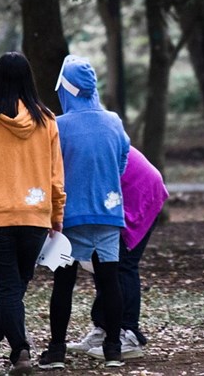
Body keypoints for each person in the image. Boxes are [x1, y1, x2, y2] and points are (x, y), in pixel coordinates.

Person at [0, 52, 66, 376]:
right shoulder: (47, 120)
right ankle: (18, 351)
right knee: (17, 285)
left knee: (10, 286)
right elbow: (55, 174)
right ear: (29, 79)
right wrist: (57, 213)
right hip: (34, 215)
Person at [38, 55, 131, 370]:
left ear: (65, 88)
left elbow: (51, 170)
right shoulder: (114, 121)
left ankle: (57, 351)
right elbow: (122, 162)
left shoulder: (58, 125)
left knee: (63, 284)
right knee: (109, 282)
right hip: (108, 213)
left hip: (70, 216)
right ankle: (113, 349)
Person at [68, 145, 168, 360]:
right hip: (118, 196)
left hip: (140, 192)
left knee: (122, 264)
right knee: (103, 262)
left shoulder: (67, 137)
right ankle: (104, 327)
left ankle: (129, 334)